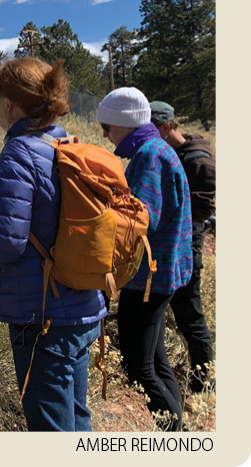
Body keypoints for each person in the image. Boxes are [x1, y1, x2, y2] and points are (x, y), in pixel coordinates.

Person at [0, 57, 106, 431]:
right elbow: (49, 206)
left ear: (8, 104)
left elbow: (2, 245)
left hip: (42, 319)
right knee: (76, 417)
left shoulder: (18, 152)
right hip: (82, 306)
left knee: (51, 429)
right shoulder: (64, 140)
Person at [97, 88, 193, 431]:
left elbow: (143, 218)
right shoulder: (152, 149)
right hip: (161, 271)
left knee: (141, 368)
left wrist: (101, 204)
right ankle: (178, 428)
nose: (106, 134)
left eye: (108, 126)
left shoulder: (149, 155)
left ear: (125, 123)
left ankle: (176, 440)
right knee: (155, 360)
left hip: (151, 276)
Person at [150, 101, 215, 393]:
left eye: (152, 130)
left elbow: (201, 210)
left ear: (166, 127)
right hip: (171, 249)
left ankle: (204, 382)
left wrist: (168, 218)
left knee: (191, 317)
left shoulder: (197, 161)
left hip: (186, 250)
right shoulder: (176, 154)